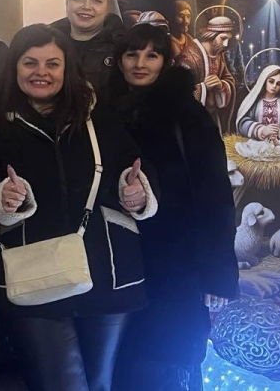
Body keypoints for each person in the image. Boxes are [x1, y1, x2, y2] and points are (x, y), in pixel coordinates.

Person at [0, 24, 157, 391]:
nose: (42, 72)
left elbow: (129, 165)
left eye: (52, 63)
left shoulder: (97, 113)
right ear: (14, 66)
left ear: (67, 67)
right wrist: (1, 198)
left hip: (106, 270)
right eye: (30, 63)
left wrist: (136, 193)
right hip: (32, 271)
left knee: (99, 384)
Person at [108, 24, 238, 391]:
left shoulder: (187, 115)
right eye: (132, 54)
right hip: (120, 259)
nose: (140, 63)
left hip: (177, 261)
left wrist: (215, 273)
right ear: (119, 61)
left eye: (152, 55)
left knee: (169, 361)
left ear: (165, 62)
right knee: (124, 365)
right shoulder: (104, 112)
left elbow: (214, 194)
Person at [51, 0, 126, 104]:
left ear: (108, 8)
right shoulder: (47, 42)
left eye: (97, 1)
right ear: (67, 2)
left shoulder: (122, 45)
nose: (86, 6)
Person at [176, 16, 238, 132]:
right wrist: (203, 87)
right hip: (193, 121)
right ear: (211, 35)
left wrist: (221, 86)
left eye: (228, 39)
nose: (226, 44)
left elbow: (228, 79)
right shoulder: (189, 57)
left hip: (212, 118)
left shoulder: (219, 54)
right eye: (223, 38)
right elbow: (179, 93)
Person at [235, 64, 280, 140]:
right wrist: (261, 130)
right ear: (264, 80)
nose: (274, 86)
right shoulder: (256, 102)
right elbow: (242, 123)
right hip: (258, 142)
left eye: (279, 84)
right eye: (271, 81)